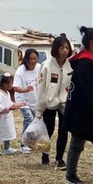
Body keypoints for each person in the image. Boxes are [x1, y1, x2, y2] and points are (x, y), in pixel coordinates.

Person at [36, 35, 72, 169]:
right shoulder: (46, 66)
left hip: (64, 102)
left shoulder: (70, 65)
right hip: (49, 102)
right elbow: (41, 87)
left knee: (63, 131)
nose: (64, 50)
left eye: (67, 48)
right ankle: (45, 154)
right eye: (62, 47)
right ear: (56, 49)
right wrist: (39, 110)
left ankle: (60, 158)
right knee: (48, 130)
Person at [64, 26, 93, 184]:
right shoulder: (85, 64)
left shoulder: (85, 61)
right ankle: (70, 176)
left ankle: (70, 175)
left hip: (81, 111)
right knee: (76, 144)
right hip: (83, 112)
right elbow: (86, 91)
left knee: (77, 143)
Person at [0, 73, 24, 155]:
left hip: (5, 116)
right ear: (5, 84)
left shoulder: (7, 93)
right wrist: (10, 108)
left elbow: (9, 103)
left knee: (7, 129)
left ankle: (7, 147)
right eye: (11, 83)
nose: (12, 85)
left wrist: (16, 105)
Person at [13, 48, 41, 153]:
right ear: (27, 59)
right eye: (31, 59)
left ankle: (31, 142)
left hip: (35, 99)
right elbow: (15, 88)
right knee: (29, 118)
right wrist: (26, 89)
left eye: (35, 58)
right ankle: (23, 144)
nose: (33, 61)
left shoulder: (40, 68)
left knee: (34, 122)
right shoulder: (21, 70)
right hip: (23, 99)